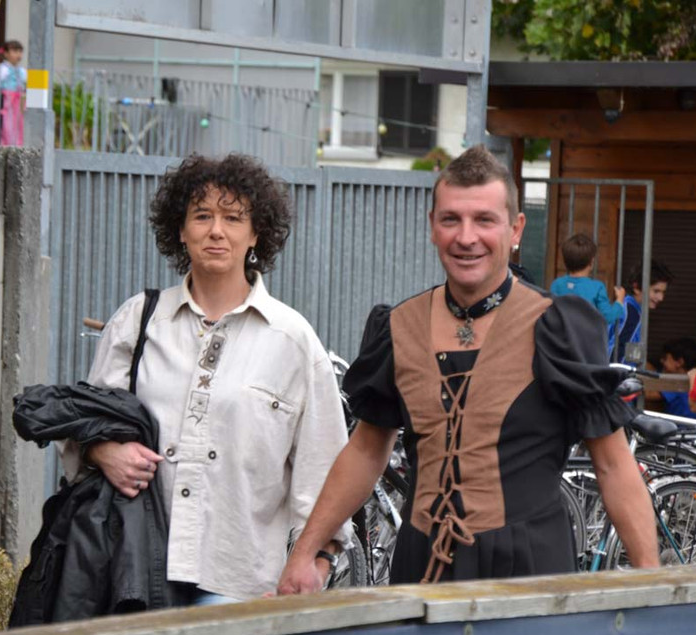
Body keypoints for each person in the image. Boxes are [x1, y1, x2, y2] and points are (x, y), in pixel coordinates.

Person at [276, 145, 658, 594]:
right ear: (432, 227)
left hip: (529, 573)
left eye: (484, 220)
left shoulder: (556, 327)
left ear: (515, 229)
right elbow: (364, 452)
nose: (466, 237)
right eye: (451, 219)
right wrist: (305, 553)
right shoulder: (399, 327)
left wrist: (652, 584)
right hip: (420, 571)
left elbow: (612, 465)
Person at [61, 154, 350, 606]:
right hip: (133, 571)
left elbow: (323, 465)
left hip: (240, 581)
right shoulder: (139, 321)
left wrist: (315, 560)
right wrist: (102, 451)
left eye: (233, 218)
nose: (216, 230)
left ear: (255, 234)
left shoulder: (292, 340)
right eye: (202, 216)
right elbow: (84, 422)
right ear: (181, 229)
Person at [550, 233, 626, 333]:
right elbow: (608, 317)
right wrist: (619, 300)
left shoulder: (557, 284)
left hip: (560, 338)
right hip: (586, 339)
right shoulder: (597, 287)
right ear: (591, 262)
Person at [611, 259, 674, 364]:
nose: (661, 298)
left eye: (663, 292)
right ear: (636, 287)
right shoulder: (630, 314)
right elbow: (616, 354)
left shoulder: (633, 311)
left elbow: (631, 354)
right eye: (656, 291)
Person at [652, 337, 696, 420]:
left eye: (665, 358)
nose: (661, 361)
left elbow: (650, 394)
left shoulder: (676, 381)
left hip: (682, 426)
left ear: (679, 362)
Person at [0, 40, 26, 146]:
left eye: (20, 51)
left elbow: (24, 88)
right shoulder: (2, 68)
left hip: (18, 103)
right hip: (7, 101)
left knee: (19, 127)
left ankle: (17, 146)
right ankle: (6, 146)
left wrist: (23, 105)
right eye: (15, 51)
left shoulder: (22, 71)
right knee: (6, 127)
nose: (18, 55)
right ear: (6, 54)